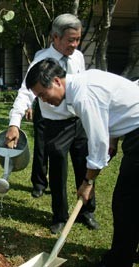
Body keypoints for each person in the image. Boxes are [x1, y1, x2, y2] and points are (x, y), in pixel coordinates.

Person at [25, 57, 139, 267]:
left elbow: (97, 142)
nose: (43, 101)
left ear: (57, 82)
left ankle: (119, 261)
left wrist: (88, 182)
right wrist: (114, 137)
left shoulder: (82, 96)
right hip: (133, 132)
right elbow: (115, 106)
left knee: (126, 202)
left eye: (43, 94)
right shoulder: (84, 81)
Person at [5, 13, 99, 234]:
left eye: (78, 39)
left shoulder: (77, 57)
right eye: (70, 40)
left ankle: (87, 211)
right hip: (55, 126)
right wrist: (14, 123)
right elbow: (24, 93)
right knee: (58, 172)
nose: (75, 45)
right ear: (55, 37)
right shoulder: (40, 60)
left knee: (84, 167)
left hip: (79, 121)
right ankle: (59, 216)